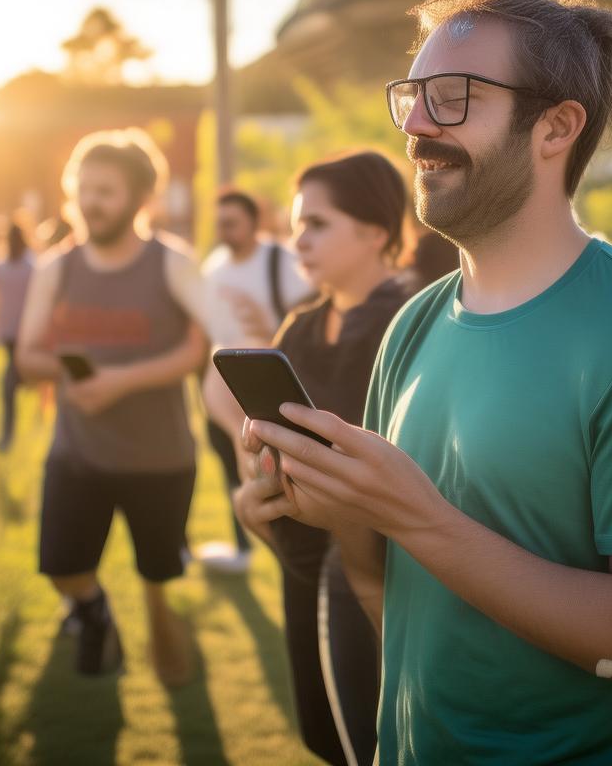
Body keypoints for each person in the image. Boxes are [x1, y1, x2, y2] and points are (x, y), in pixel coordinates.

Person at [242, 0, 612, 764]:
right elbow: (391, 599)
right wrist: (338, 509)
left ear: (555, 128)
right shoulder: (412, 326)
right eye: (414, 97)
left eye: (454, 98)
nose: (417, 127)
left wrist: (417, 516)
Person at [221, 151, 412, 766]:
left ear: (376, 231)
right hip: (305, 560)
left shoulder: (410, 322)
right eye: (296, 223)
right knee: (326, 735)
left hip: (389, 576)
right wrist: (258, 492)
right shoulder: (300, 327)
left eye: (317, 223)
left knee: (387, 740)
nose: (298, 239)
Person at [16, 128, 210, 684]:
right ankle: (92, 610)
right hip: (77, 454)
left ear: (141, 198)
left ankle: (157, 615)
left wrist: (121, 381)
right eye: (83, 188)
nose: (91, 202)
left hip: (160, 459)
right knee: (62, 569)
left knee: (158, 573)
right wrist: (76, 374)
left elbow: (197, 348)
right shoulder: (56, 267)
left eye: (105, 190)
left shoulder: (172, 263)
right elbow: (28, 356)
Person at [198, 188, 313, 572]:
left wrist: (268, 329)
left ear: (252, 222)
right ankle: (243, 547)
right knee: (232, 468)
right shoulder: (213, 267)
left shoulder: (282, 260)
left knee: (278, 475)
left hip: (270, 390)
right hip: (221, 392)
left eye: (232, 223)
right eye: (220, 223)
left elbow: (311, 317)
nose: (224, 231)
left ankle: (296, 555)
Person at [0, 220, 34, 451]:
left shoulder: (1, 267)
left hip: (12, 333)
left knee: (10, 383)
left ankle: (8, 436)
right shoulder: (33, 266)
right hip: (23, 332)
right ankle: (8, 435)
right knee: (12, 382)